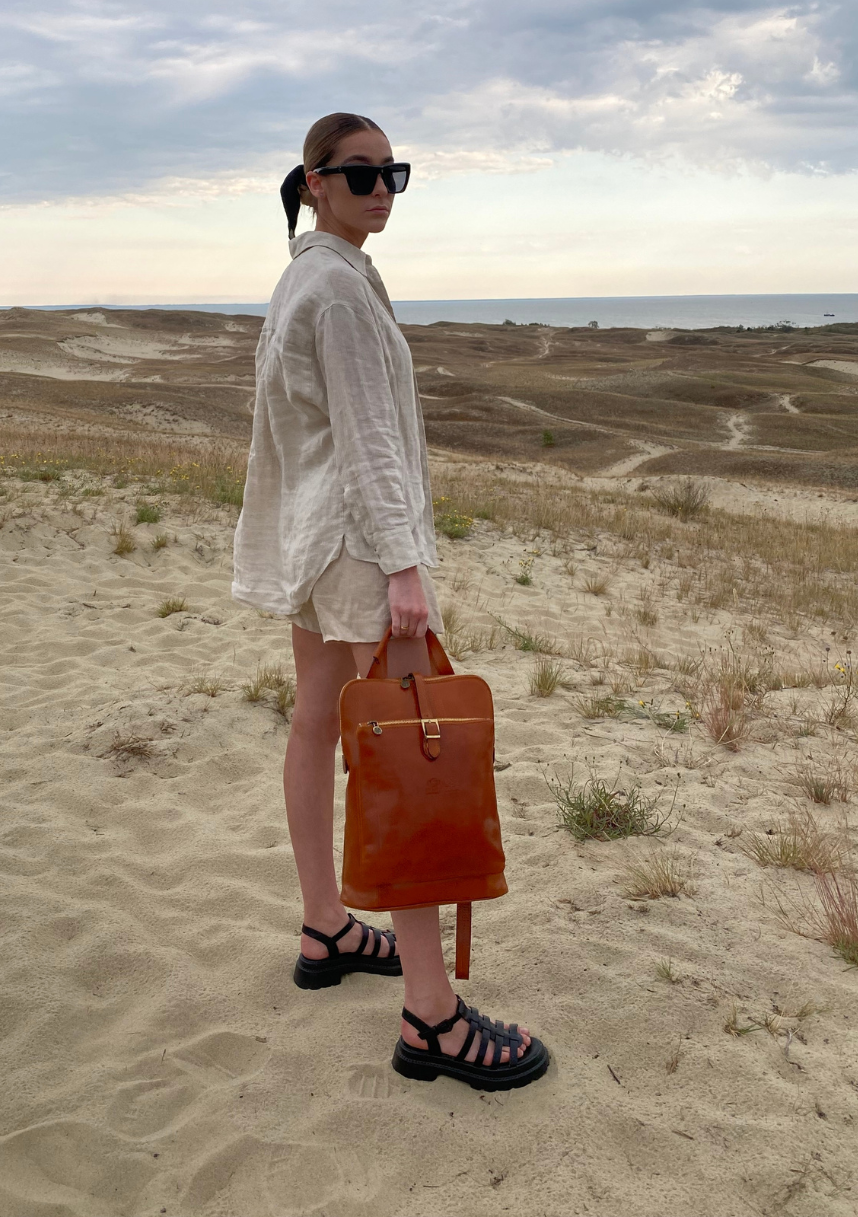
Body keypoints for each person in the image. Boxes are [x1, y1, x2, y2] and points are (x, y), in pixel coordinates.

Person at [232, 112, 547, 1090]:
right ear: (314, 183)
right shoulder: (334, 289)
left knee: (315, 724)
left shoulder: (310, 275)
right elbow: (369, 436)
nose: (380, 189)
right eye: (360, 173)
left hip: (316, 541)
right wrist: (404, 565)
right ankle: (430, 1014)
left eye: (393, 173)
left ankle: (325, 926)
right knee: (410, 758)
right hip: (363, 550)